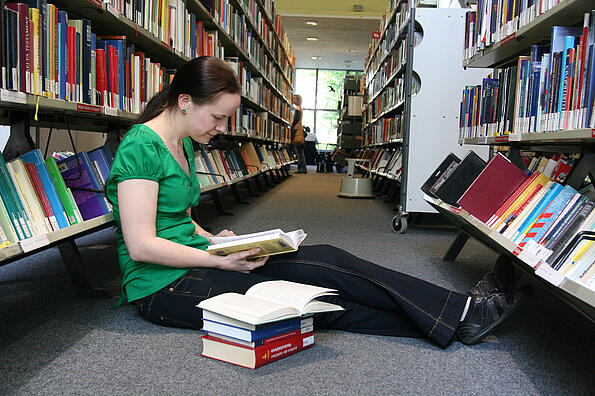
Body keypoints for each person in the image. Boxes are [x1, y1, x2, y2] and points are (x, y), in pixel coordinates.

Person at [106, 56, 531, 349]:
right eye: (216, 117)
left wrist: (215, 240)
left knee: (319, 293)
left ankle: (454, 321)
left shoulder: (184, 140)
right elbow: (141, 244)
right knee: (317, 284)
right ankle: (461, 314)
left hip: (196, 260)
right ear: (184, 102)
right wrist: (219, 260)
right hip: (164, 288)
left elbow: (177, 216)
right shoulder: (141, 147)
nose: (221, 127)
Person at [291, 94, 307, 174]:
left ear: (298, 100)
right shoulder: (300, 108)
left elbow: (296, 119)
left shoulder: (297, 108)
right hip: (299, 129)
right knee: (300, 151)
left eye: (294, 98)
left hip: (296, 129)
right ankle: (302, 168)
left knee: (299, 151)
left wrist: (292, 126)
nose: (293, 99)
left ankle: (302, 168)